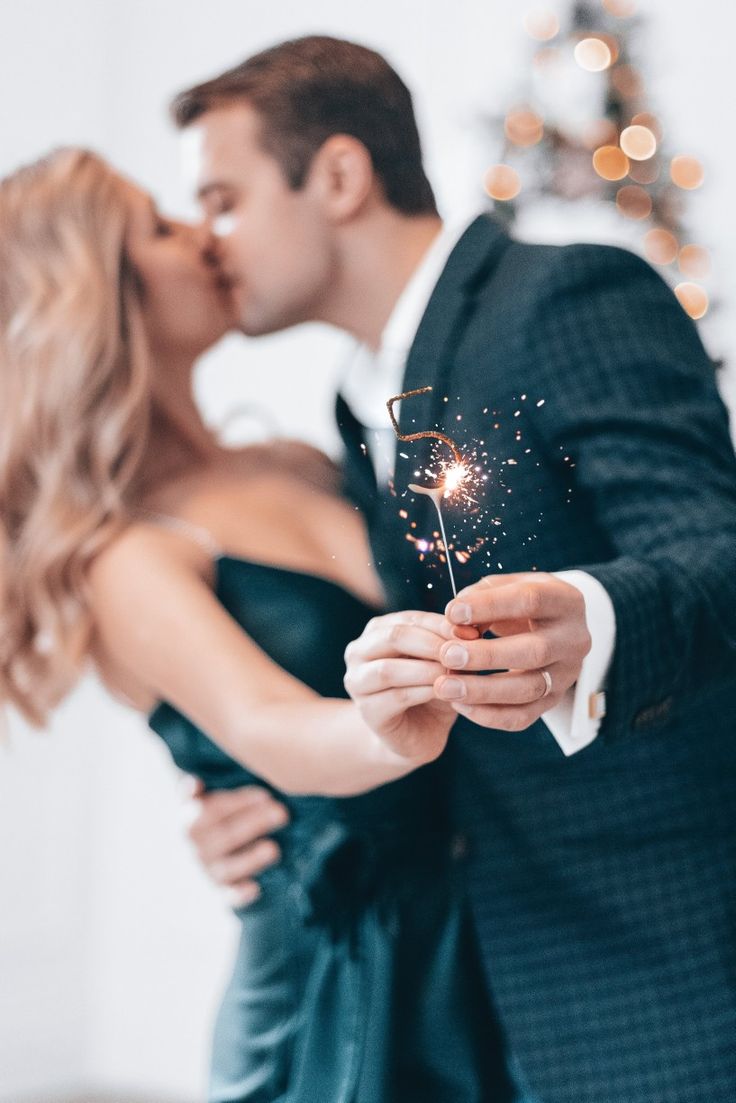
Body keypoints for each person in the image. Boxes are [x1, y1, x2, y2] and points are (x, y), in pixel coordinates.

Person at [177, 35, 736, 1103]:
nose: (210, 241)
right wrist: (263, 805)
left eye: (224, 199)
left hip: (663, 963)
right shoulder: (356, 400)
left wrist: (590, 613)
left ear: (336, 175)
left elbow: (715, 547)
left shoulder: (565, 294)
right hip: (480, 983)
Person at [0, 148, 520, 1102]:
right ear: (97, 302)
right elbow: (275, 730)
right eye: (159, 227)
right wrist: (386, 717)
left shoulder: (297, 458)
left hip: (485, 906)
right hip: (348, 963)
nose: (203, 232)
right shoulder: (132, 556)